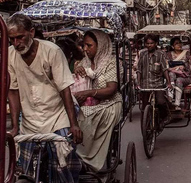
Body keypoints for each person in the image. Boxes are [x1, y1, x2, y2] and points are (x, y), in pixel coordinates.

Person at [7, 14, 82, 183]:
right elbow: (13, 91)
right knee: (25, 166)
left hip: (58, 114)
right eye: (12, 39)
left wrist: (74, 124)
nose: (16, 43)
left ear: (31, 32)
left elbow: (64, 88)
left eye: (20, 37)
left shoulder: (51, 51)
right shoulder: (10, 55)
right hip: (30, 118)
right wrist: (14, 126)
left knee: (64, 159)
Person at [74, 29, 122, 172]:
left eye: (89, 46)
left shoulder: (111, 62)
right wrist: (78, 70)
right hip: (88, 101)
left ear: (100, 45)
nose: (86, 49)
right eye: (84, 46)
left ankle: (85, 157)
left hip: (110, 102)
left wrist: (89, 92)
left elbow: (111, 89)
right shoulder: (84, 61)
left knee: (85, 115)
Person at [135, 34, 169, 114]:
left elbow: (164, 69)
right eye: (147, 43)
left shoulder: (160, 54)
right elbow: (139, 70)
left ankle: (164, 117)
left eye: (151, 43)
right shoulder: (142, 54)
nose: (149, 45)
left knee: (161, 102)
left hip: (158, 85)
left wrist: (169, 82)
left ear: (155, 43)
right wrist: (138, 83)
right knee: (144, 106)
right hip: (145, 85)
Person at [167, 36, 191, 109]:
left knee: (179, 80)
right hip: (172, 76)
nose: (179, 45)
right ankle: (170, 96)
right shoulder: (169, 54)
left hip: (185, 76)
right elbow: (166, 66)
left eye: (180, 43)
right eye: (176, 43)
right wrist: (175, 68)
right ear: (172, 46)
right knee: (171, 74)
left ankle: (177, 104)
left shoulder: (186, 53)